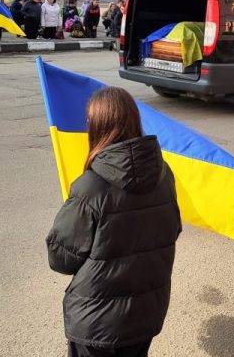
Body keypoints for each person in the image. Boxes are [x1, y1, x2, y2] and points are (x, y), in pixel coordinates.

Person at [46, 87, 181, 357]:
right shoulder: (164, 174)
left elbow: (60, 259)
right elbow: (171, 230)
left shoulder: (90, 188)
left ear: (98, 127)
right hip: (145, 315)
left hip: (97, 324)